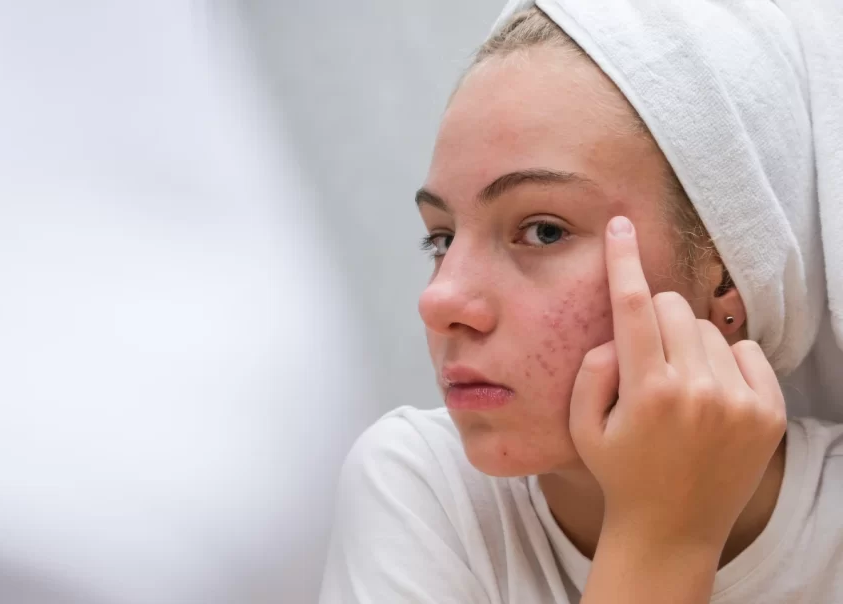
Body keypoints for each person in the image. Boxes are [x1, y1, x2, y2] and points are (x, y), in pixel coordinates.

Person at [320, 1, 843, 603]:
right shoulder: (426, 490)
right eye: (441, 238)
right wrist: (662, 537)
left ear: (727, 279)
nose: (440, 299)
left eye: (543, 230)